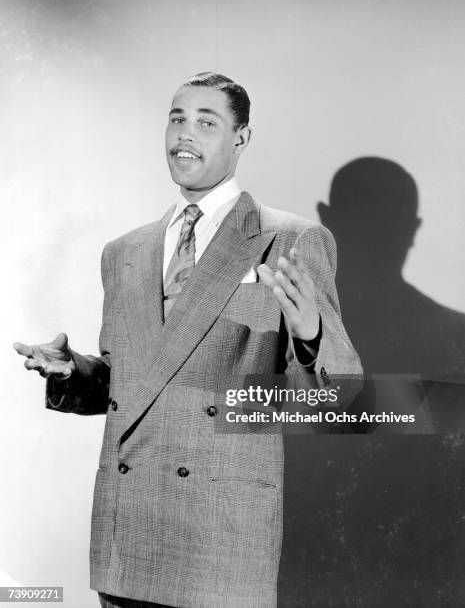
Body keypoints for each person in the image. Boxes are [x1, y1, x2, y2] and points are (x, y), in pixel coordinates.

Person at [14, 72, 362, 608]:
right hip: (127, 530)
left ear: (240, 138)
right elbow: (133, 384)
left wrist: (310, 335)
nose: (185, 133)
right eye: (177, 118)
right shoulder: (124, 251)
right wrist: (74, 373)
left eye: (206, 121)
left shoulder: (289, 239)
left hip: (218, 535)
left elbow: (337, 402)